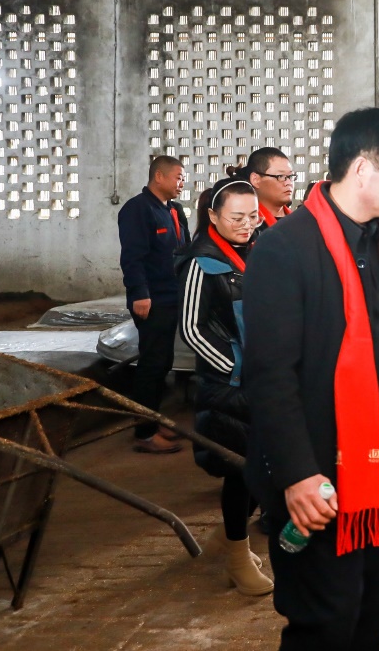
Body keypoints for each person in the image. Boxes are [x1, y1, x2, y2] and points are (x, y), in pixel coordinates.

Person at [241, 107, 379, 650]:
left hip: (375, 464)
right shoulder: (288, 248)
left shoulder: (377, 243)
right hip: (320, 474)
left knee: (373, 608)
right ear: (363, 168)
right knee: (325, 621)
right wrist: (296, 474)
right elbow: (269, 376)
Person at [177, 177, 274, 596]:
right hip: (230, 385)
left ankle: (227, 538)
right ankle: (236, 557)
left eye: (253, 216)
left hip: (267, 379)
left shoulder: (258, 250)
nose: (247, 224)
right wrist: (235, 368)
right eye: (236, 217)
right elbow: (190, 328)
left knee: (266, 465)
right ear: (213, 217)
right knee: (244, 468)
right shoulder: (202, 262)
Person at [117, 155, 191, 454]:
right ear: (158, 177)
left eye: (182, 178)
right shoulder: (137, 210)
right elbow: (132, 257)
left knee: (162, 364)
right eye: (177, 177)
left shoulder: (173, 210)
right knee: (151, 365)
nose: (181, 183)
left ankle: (153, 419)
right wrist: (139, 293)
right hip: (152, 299)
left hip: (172, 296)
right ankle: (145, 433)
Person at [239, 147, 296, 229]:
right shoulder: (246, 228)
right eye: (280, 176)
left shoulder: (300, 222)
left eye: (290, 176)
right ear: (256, 180)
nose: (288, 183)